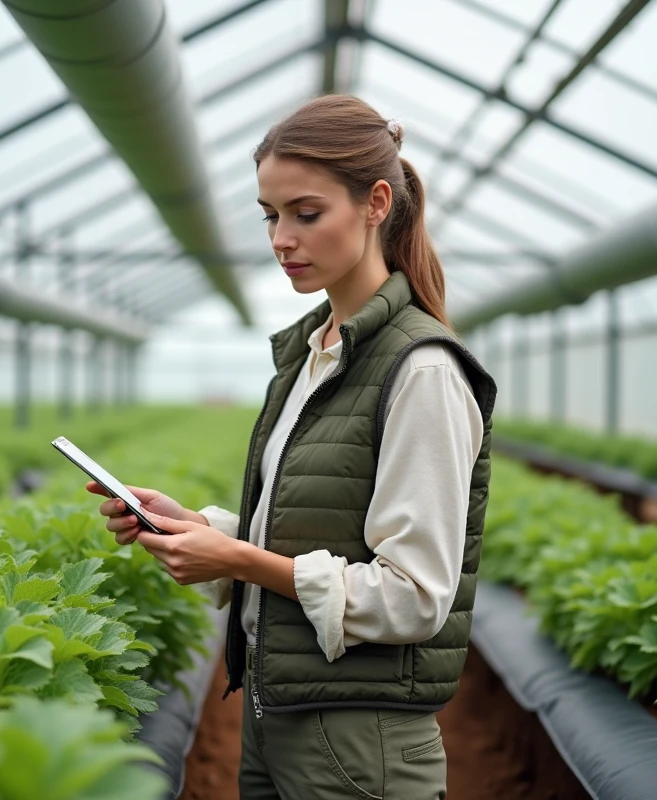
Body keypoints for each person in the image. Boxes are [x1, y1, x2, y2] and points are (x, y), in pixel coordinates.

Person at [87, 94, 497, 800]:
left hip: (357, 744)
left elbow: (415, 598)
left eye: (306, 213)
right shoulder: (313, 354)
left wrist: (238, 559)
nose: (281, 237)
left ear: (375, 204)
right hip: (278, 714)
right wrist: (202, 528)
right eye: (270, 215)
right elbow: (316, 527)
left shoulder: (421, 370)